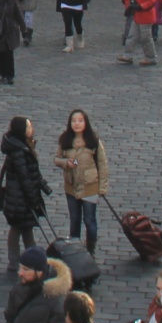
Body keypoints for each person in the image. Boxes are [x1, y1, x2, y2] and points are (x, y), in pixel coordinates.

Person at [0, 116, 51, 272]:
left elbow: (32, 173)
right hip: (19, 199)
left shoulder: (21, 147)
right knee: (18, 228)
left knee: (26, 227)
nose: (31, 129)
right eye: (28, 127)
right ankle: (15, 262)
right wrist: (34, 199)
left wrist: (43, 186)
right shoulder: (19, 151)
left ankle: (31, 260)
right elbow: (25, 177)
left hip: (21, 198)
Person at [52, 108, 108, 254]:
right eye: (74, 121)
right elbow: (56, 159)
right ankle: (75, 250)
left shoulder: (93, 141)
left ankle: (91, 250)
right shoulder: (65, 139)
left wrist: (102, 187)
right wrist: (66, 163)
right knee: (74, 219)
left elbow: (102, 164)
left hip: (90, 186)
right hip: (71, 186)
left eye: (80, 121)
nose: (77, 124)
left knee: (90, 221)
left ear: (85, 122)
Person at [117, 0, 161, 66]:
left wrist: (140, 6)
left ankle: (151, 58)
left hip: (146, 16)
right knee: (132, 36)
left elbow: (151, 0)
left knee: (146, 38)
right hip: (138, 15)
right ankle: (128, 56)